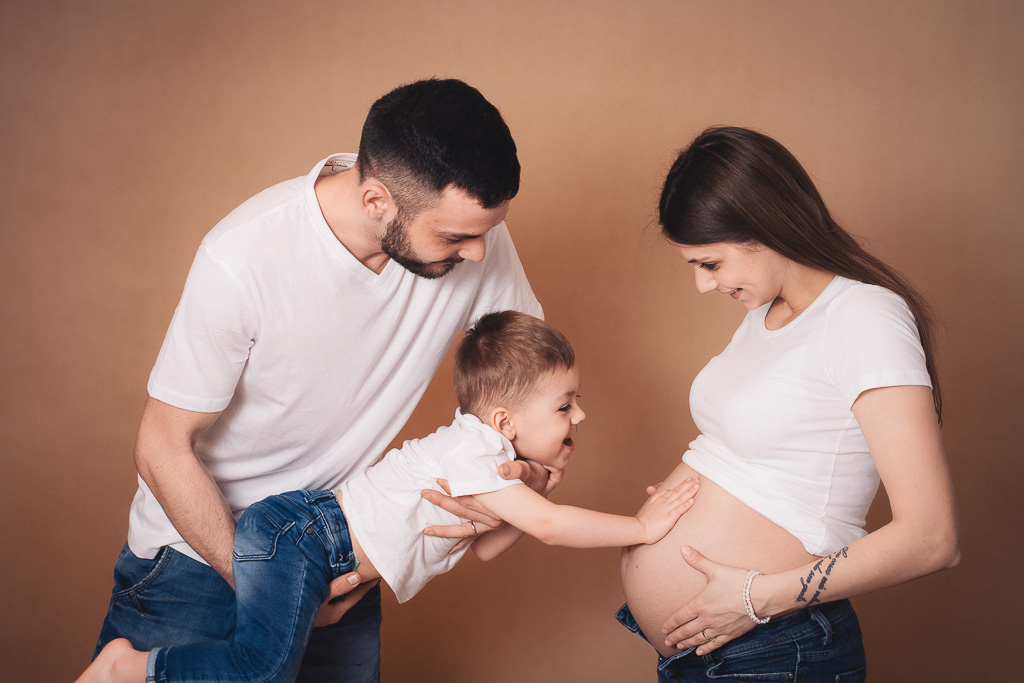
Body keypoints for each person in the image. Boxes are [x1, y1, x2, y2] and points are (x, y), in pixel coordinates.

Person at [92, 78, 557, 682]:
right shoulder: (243, 257)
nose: (477, 254)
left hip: (338, 549)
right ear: (375, 201)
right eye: (454, 237)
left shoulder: (477, 239)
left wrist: (526, 472)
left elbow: (534, 386)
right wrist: (273, 588)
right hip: (196, 559)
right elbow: (161, 446)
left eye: (486, 231)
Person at [80, 311, 700, 683]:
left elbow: (490, 547)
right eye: (566, 405)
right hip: (298, 535)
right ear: (506, 421)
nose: (580, 416)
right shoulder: (473, 453)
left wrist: (538, 481)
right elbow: (552, 528)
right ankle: (128, 670)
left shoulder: (491, 462)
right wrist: (642, 529)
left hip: (313, 547)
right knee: (262, 668)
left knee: (267, 668)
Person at [617, 126, 960, 681]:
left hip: (775, 645)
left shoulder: (863, 317)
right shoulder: (765, 315)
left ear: (765, 226)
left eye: (711, 263)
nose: (704, 286)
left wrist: (759, 597)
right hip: (717, 651)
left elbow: (932, 537)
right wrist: (693, 494)